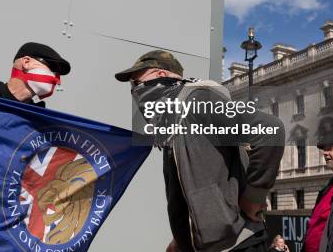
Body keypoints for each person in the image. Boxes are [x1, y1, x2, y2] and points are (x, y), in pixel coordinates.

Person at [115, 50, 285, 252]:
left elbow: (271, 130)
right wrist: (182, 239)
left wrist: (254, 197)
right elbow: (191, 187)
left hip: (236, 244)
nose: (134, 91)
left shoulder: (198, 100)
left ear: (161, 75)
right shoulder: (173, 121)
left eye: (136, 82)